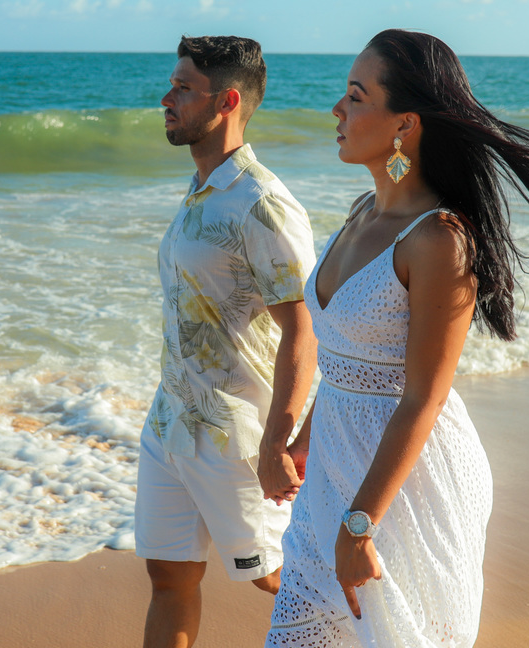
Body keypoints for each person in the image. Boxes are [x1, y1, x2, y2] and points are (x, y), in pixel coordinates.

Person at [267, 30, 529, 647]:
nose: (336, 110)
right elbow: (348, 362)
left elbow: (422, 397)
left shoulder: (438, 239)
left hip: (406, 491)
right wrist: (306, 438)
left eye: (356, 97)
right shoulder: (362, 211)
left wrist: (360, 524)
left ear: (404, 124)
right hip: (334, 473)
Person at [137, 35, 319, 648]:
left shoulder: (262, 203)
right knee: (168, 577)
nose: (167, 97)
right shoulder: (201, 188)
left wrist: (280, 443)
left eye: (184, 87)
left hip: (234, 433)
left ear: (227, 100)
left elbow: (303, 330)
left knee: (283, 578)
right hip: (171, 424)